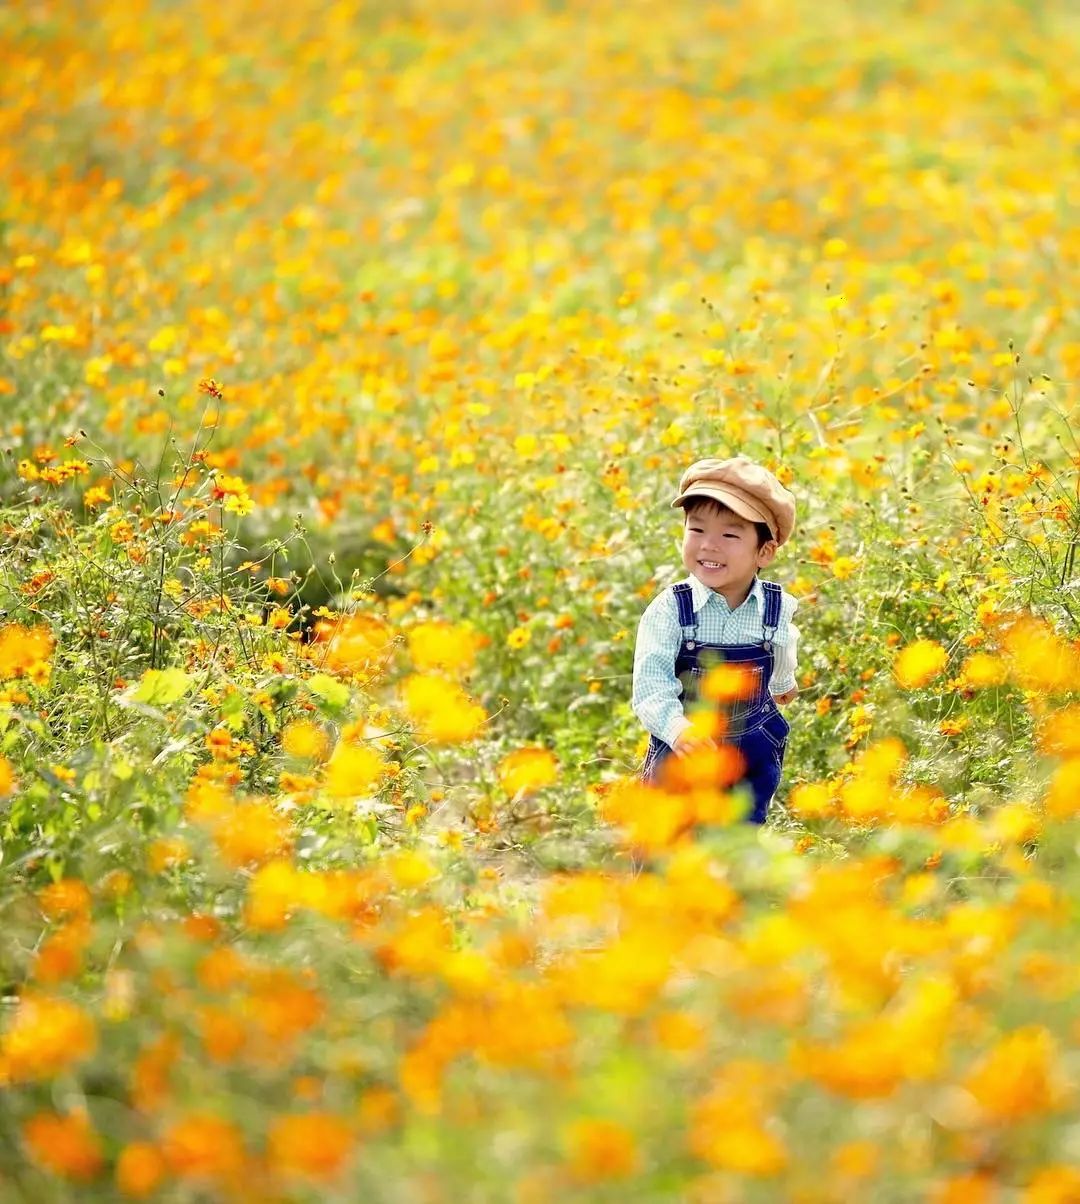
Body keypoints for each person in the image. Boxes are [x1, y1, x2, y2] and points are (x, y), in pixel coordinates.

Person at [632, 455, 799, 823]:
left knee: (738, 837)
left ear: (765, 551)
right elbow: (651, 684)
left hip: (750, 748)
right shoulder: (671, 610)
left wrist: (784, 682)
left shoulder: (776, 607)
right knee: (668, 836)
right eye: (697, 530)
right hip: (684, 746)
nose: (708, 545)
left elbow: (785, 644)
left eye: (729, 534)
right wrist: (676, 730)